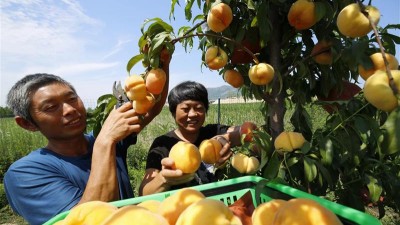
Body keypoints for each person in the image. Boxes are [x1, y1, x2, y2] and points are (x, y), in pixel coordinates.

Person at [3, 54, 170, 225]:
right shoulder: (25, 174)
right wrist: (105, 141)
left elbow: (150, 107)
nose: (69, 109)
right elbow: (91, 220)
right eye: (51, 107)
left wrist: (161, 61)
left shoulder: (106, 140)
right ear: (26, 123)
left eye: (72, 98)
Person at [139, 81, 243, 196]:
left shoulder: (212, 132)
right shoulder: (163, 144)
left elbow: (243, 131)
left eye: (199, 108)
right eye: (186, 109)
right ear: (174, 112)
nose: (193, 114)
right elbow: (144, 193)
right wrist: (164, 179)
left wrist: (224, 138)